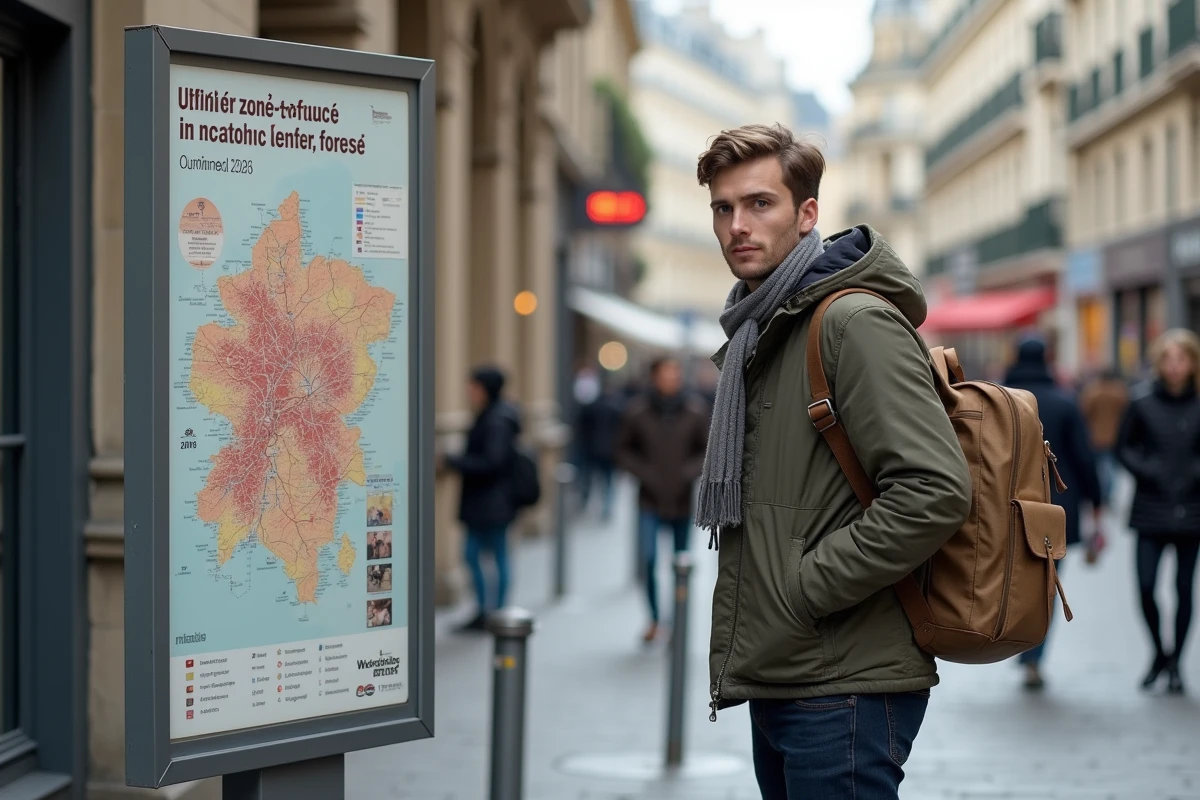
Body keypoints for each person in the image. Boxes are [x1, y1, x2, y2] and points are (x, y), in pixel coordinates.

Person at [694, 123, 971, 799]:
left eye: (760, 203)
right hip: (789, 670)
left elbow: (933, 489)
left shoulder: (850, 322)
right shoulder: (762, 329)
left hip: (843, 682)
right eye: (723, 208)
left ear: (808, 213)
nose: (737, 225)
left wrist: (806, 588)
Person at [1002, 335, 1103, 690]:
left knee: (1012, 582)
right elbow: (1084, 459)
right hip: (1056, 511)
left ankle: (1017, 643)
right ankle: (1033, 655)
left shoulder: (1003, 400)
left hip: (1007, 507)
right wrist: (1097, 503)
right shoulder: (1064, 402)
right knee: (1047, 584)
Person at [1116, 329, 1200, 695]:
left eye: (1181, 359)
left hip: (1192, 509)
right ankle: (1159, 653)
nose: (1175, 366)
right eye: (1168, 359)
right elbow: (1123, 447)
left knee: (1184, 588)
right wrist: (1148, 471)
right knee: (1147, 587)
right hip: (1150, 509)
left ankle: (1177, 662)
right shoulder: (1142, 402)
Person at [615, 357, 709, 643]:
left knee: (680, 565)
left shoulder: (694, 411)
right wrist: (645, 474)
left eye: (676, 373)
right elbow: (622, 451)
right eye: (667, 374)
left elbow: (705, 450)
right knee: (649, 559)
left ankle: (678, 621)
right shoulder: (637, 412)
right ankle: (656, 618)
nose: (672, 379)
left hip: (681, 499)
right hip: (649, 499)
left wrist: (687, 474)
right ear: (654, 377)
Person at [441, 366, 521, 632]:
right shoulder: (497, 416)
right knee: (488, 555)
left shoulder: (496, 420)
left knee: (483, 554)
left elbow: (492, 462)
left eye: (474, 386)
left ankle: (492, 613)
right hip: (491, 500)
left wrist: (455, 461)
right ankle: (490, 611)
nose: (470, 391)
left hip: (491, 501)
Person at [1079, 367, 1130, 506]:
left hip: (1096, 436)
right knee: (1112, 468)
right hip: (1115, 436)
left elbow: (1084, 412)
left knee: (1100, 467)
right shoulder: (1120, 392)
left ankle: (1102, 493)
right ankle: (1108, 493)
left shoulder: (1093, 391)